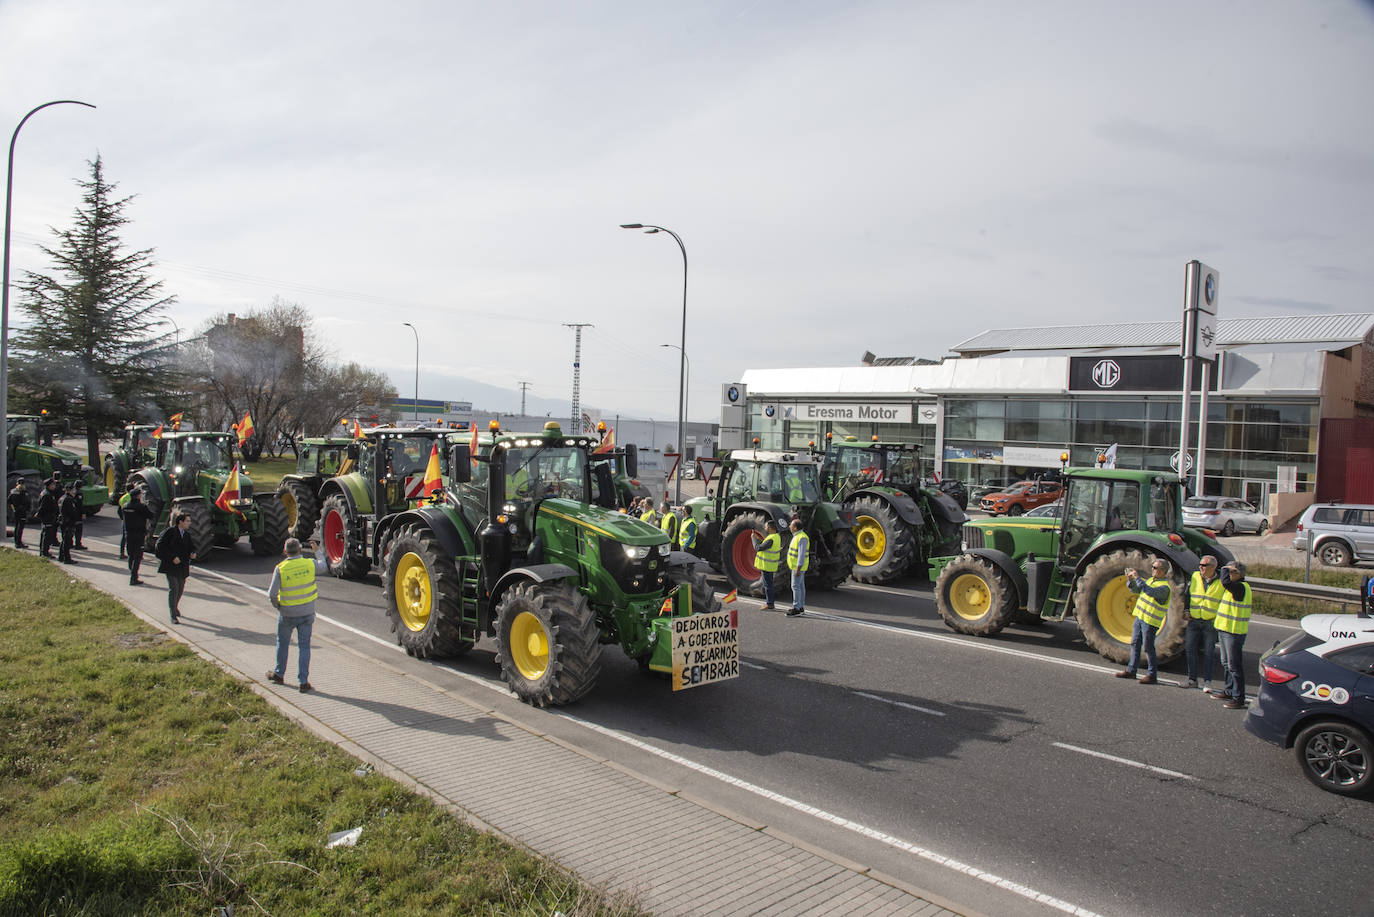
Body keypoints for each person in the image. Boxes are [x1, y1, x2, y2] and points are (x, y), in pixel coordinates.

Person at [267, 537, 327, 692]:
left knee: (283, 643)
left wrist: (279, 606)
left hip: (287, 613)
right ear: (300, 550)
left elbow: (272, 594)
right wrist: (317, 551)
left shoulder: (281, 568)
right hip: (307, 613)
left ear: (285, 551)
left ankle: (279, 674)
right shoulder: (309, 563)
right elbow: (324, 566)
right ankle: (303, 682)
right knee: (305, 647)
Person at [1115, 558, 1171, 684]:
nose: (1152, 569)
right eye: (1152, 567)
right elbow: (1136, 590)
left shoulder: (1164, 587)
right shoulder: (1151, 580)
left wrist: (1138, 578)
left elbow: (1149, 591)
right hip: (1140, 618)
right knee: (1134, 643)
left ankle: (1152, 675)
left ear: (1163, 571)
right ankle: (1131, 671)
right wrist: (1131, 580)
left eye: (1155, 568)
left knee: (1148, 647)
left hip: (1150, 622)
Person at [1213, 561, 1253, 709]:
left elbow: (1224, 582)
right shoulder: (1235, 587)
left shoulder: (1241, 587)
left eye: (1231, 572)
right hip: (1225, 630)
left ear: (1238, 574)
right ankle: (1229, 690)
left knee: (1234, 666)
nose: (1228, 575)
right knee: (1226, 663)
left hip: (1234, 632)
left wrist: (1224, 568)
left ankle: (1238, 698)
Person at [1183, 556, 1225, 690]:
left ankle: (1207, 682)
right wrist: (1186, 610)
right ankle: (1192, 679)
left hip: (1210, 623)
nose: (1200, 567)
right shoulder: (1195, 577)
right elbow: (1187, 595)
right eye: (1200, 565)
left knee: (1208, 653)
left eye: (1204, 565)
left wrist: (1217, 618)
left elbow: (1224, 602)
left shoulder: (1221, 582)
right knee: (1190, 649)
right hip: (1194, 620)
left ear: (1213, 567)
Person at [155, 513, 197, 623]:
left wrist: (192, 553)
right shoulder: (170, 532)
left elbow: (191, 547)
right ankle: (173, 614)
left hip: (182, 566)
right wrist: (172, 557)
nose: (189, 523)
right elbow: (160, 546)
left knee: (180, 588)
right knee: (174, 588)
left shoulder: (186, 535)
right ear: (180, 522)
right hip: (171, 565)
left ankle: (175, 606)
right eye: (187, 521)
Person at [121, 489, 155, 585]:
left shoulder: (125, 506)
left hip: (128, 533)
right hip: (139, 534)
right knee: (138, 556)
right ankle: (133, 577)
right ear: (138, 496)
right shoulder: (141, 507)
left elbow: (121, 515)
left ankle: (132, 573)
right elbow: (151, 516)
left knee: (131, 555)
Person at [753, 521, 782, 610]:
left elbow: (758, 548)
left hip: (767, 565)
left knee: (768, 585)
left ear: (769, 527)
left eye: (766, 526)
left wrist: (753, 539)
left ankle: (769, 603)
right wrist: (759, 539)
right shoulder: (776, 537)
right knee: (769, 584)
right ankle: (770, 602)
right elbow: (766, 546)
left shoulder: (771, 538)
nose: (765, 528)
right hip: (771, 565)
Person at [786, 518, 810, 617]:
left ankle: (797, 608)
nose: (789, 527)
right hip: (796, 566)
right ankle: (800, 607)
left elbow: (801, 554)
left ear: (795, 528)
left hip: (797, 567)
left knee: (796, 586)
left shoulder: (801, 537)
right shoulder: (798, 536)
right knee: (800, 586)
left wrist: (798, 568)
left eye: (791, 525)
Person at [57, 482, 81, 564]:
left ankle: (61, 556)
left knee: (64, 540)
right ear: (70, 490)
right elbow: (71, 512)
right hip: (68, 522)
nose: (74, 491)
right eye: (73, 489)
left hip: (62, 521)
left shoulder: (62, 498)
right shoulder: (68, 499)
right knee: (67, 542)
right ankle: (67, 558)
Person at [37, 479, 59, 558]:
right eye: (53, 485)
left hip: (48, 517)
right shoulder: (47, 495)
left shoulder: (48, 493)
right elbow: (43, 507)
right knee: (46, 535)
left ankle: (44, 551)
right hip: (47, 517)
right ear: (49, 485)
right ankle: (44, 553)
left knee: (45, 534)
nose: (54, 486)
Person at [7, 481, 31, 549]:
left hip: (16, 511)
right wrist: (27, 509)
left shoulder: (13, 491)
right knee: (20, 528)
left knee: (17, 526)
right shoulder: (23, 491)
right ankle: (18, 543)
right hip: (22, 512)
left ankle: (17, 542)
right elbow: (27, 502)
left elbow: (9, 501)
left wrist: (14, 507)